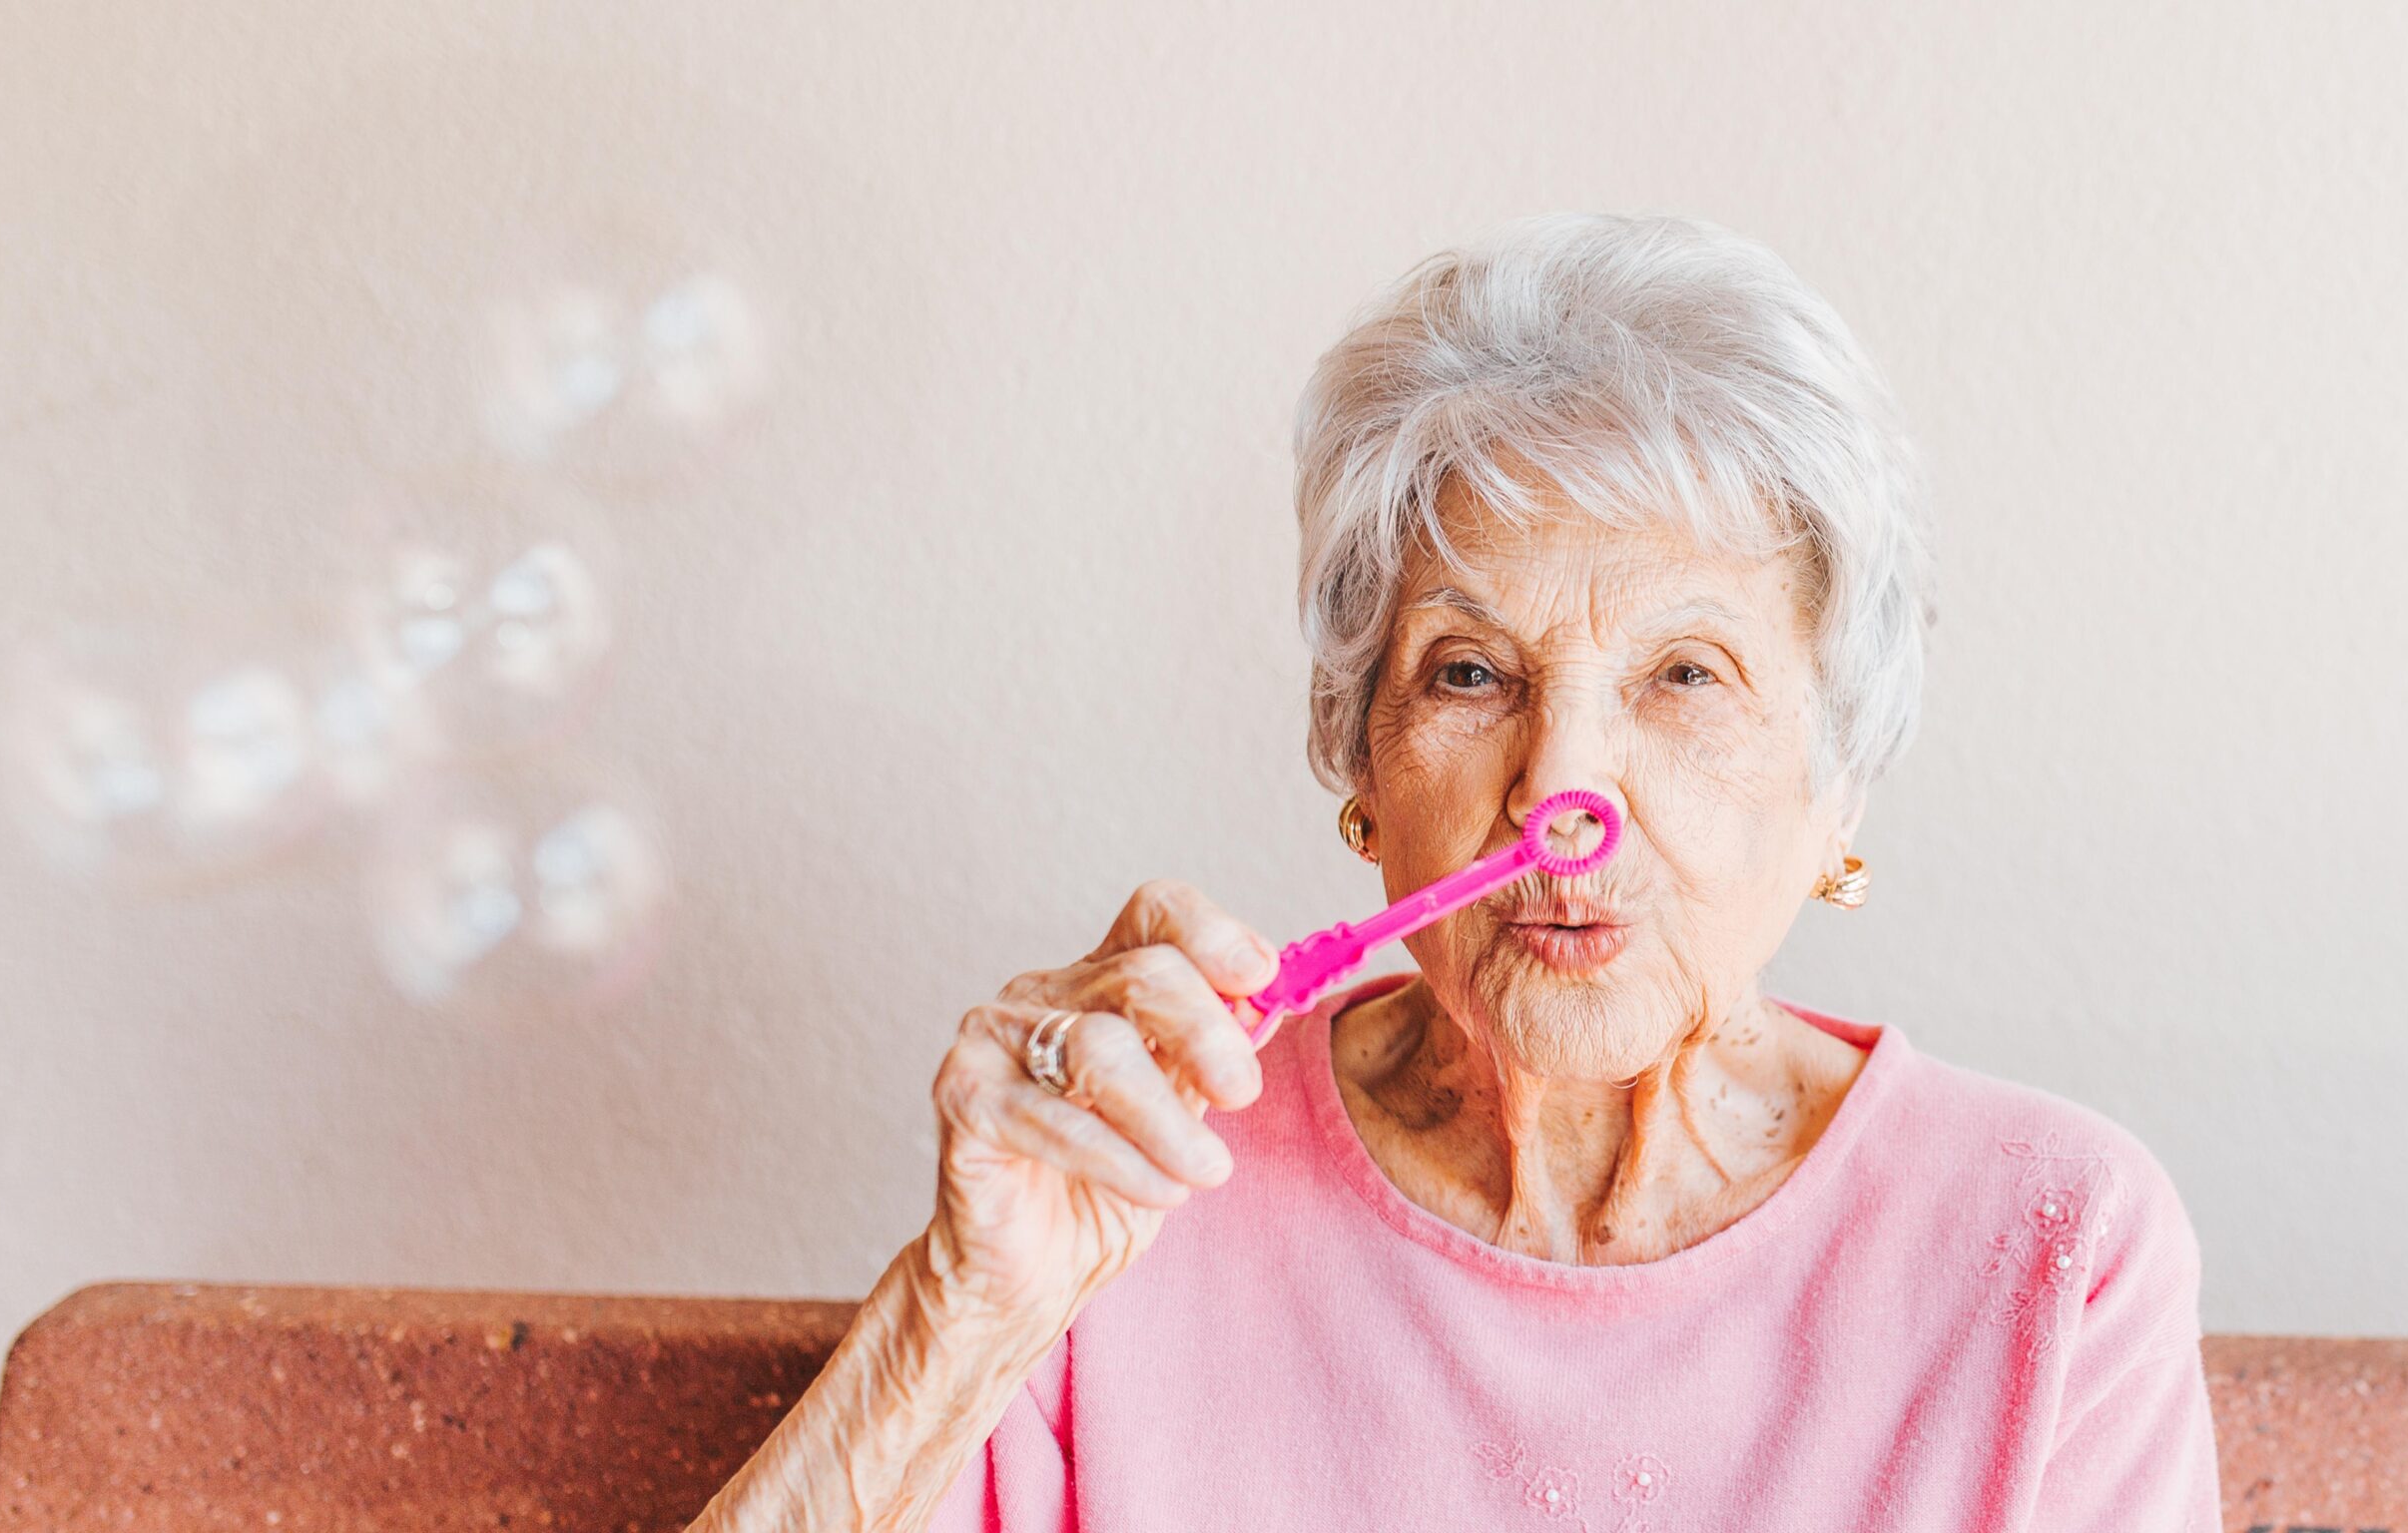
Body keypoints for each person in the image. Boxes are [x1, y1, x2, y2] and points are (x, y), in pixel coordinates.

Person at [686, 211, 2220, 1531]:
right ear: (1363, 768)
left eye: (1686, 677)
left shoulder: (2052, 1248)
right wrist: (962, 1313)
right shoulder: (1144, 1187)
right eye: (1473, 674)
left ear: (1839, 789)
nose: (1562, 788)